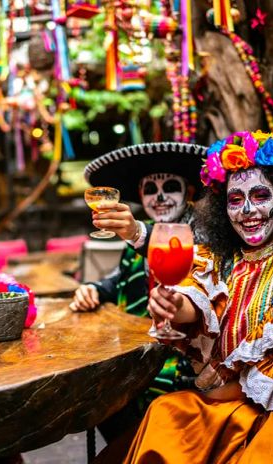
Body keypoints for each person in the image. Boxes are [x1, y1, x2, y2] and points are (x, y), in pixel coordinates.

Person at [125, 130, 273, 463]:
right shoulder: (219, 261)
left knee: (173, 417)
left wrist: (209, 393)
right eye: (235, 200)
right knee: (163, 411)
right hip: (231, 405)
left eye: (260, 195)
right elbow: (196, 304)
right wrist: (172, 305)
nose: (248, 210)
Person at [69, 142, 207, 446]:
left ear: (191, 192)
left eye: (170, 187)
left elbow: (197, 265)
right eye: (149, 189)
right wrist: (94, 288)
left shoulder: (203, 233)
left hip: (187, 365)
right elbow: (122, 276)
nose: (159, 197)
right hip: (137, 352)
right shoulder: (140, 235)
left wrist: (137, 234)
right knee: (93, 397)